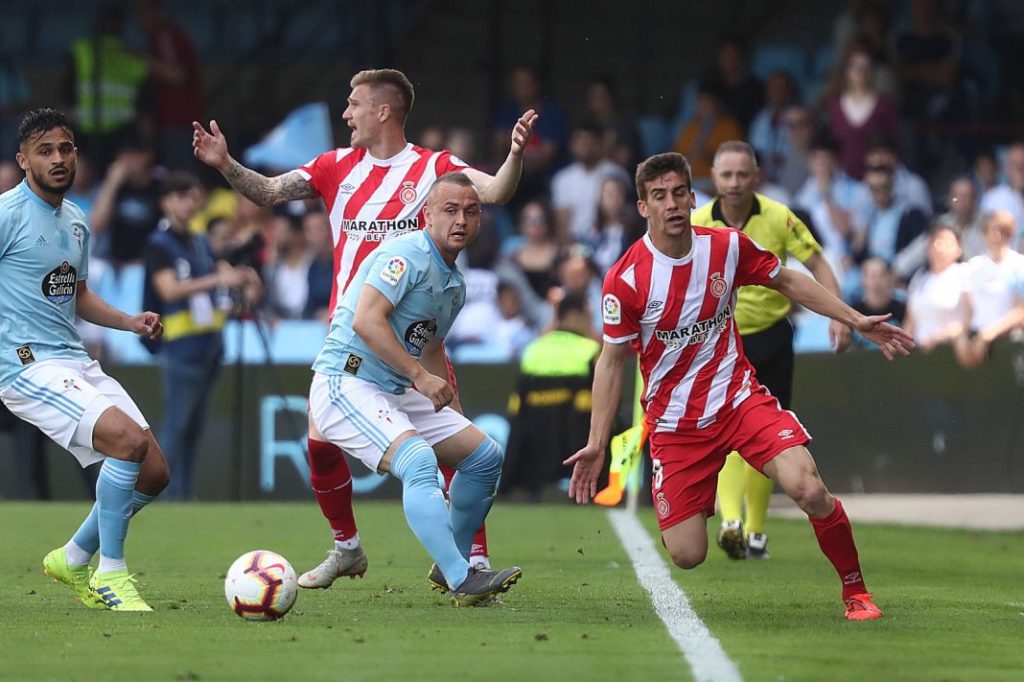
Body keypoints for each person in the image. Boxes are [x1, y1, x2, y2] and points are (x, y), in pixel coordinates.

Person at [193, 68, 537, 589]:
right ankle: (348, 548)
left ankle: (473, 557)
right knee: (322, 444)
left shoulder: (435, 168)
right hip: (354, 332)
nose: (345, 114)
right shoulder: (336, 167)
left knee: (459, 442)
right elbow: (266, 192)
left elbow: (492, 192)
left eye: (353, 104)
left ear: (383, 110)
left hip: (417, 335)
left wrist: (513, 155)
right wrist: (225, 164)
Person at [565, 152, 914, 620]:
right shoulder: (625, 279)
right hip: (676, 424)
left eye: (678, 193)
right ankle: (700, 501)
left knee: (807, 488)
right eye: (658, 196)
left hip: (738, 399)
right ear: (643, 207)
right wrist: (595, 444)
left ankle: (856, 591)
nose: (671, 204)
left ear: (692, 197)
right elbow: (610, 364)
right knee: (688, 554)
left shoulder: (726, 247)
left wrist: (854, 318)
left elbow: (789, 281)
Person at [309, 172, 521, 606]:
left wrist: (452, 409)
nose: (460, 219)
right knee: (418, 461)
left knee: (484, 457)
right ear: (427, 214)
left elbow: (431, 346)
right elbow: (367, 321)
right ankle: (465, 577)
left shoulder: (455, 285)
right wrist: (422, 379)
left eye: (471, 211)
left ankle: (453, 565)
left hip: (391, 386)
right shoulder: (406, 254)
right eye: (450, 210)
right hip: (344, 380)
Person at [1, 108, 168, 611]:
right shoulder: (7, 214)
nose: (57, 159)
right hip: (24, 363)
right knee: (125, 441)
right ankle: (111, 574)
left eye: (65, 149)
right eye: (45, 151)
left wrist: (129, 321)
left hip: (72, 358)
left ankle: (72, 558)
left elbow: (77, 295)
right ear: (23, 160)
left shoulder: (76, 220)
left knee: (154, 472)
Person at [692, 141, 851, 560]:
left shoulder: (780, 216)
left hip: (772, 338)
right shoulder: (696, 221)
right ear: (714, 176)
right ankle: (731, 522)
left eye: (742, 174)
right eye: (726, 175)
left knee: (770, 436)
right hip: (720, 341)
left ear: (756, 177)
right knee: (722, 431)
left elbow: (817, 262)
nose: (734, 183)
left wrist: (838, 315)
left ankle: (755, 532)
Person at [143, 172, 258, 500]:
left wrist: (235, 277)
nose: (192, 204)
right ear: (167, 202)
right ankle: (163, 496)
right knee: (176, 425)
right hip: (181, 345)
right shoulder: (159, 244)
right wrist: (219, 280)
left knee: (193, 428)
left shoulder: (198, 241)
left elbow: (215, 281)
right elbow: (169, 289)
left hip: (210, 343)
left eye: (195, 197)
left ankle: (183, 494)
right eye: (184, 197)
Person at [503, 291, 599, 501]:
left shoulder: (534, 348)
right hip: (573, 437)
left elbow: (518, 404)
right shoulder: (590, 349)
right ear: (576, 315)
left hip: (534, 440)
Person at [903, 225, 968, 350]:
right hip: (922, 356)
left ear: (959, 249)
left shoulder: (965, 273)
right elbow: (910, 322)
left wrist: (941, 336)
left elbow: (972, 315)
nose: (939, 247)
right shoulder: (919, 278)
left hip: (954, 350)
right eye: (935, 241)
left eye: (947, 242)